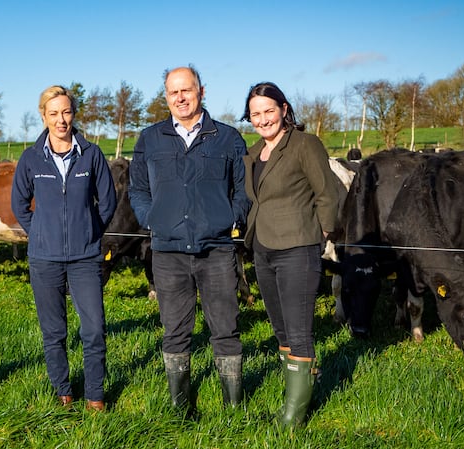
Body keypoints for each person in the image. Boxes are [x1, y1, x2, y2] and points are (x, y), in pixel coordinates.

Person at [129, 66, 250, 411]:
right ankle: (182, 408)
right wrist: (151, 219)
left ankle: (233, 409)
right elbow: (137, 189)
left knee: (225, 328)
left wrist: (230, 218)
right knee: (175, 331)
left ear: (201, 91)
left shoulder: (227, 138)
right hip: (168, 253)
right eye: (173, 92)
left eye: (187, 90)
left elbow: (242, 190)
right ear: (166, 96)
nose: (180, 98)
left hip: (216, 250)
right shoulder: (150, 139)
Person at [11, 85, 117, 411]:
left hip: (85, 258)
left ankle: (95, 395)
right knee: (54, 331)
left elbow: (108, 202)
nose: (61, 120)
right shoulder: (31, 158)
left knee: (94, 329)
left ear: (74, 114)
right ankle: (63, 391)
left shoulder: (92, 154)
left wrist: (89, 231)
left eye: (67, 112)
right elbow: (19, 204)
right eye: (54, 113)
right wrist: (40, 233)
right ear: (43, 116)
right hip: (44, 259)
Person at [240, 81, 340, 428]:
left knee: (299, 330)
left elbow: (328, 192)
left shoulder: (304, 145)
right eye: (256, 113)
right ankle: (293, 393)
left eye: (269, 110)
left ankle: (293, 417)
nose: (263, 119)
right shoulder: (254, 152)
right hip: (264, 249)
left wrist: (321, 234)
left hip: (298, 248)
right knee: (281, 329)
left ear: (284, 110)